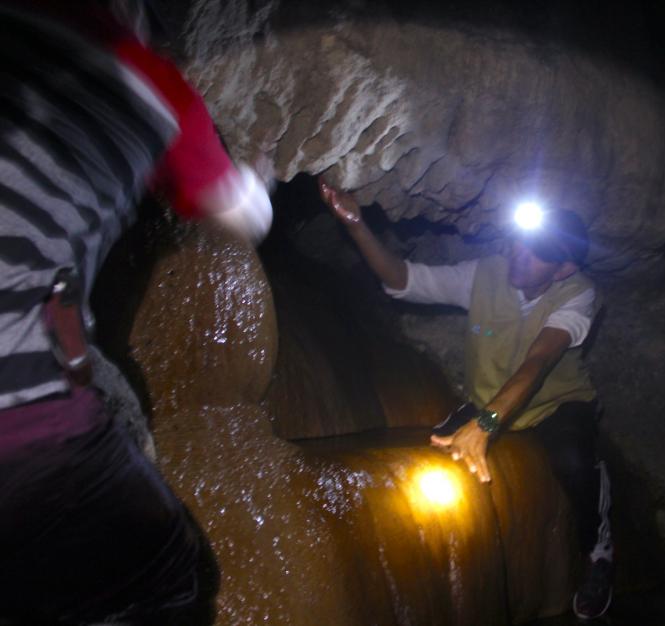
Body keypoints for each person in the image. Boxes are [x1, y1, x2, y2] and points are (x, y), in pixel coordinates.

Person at [0, 0, 272, 623]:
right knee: (169, 578)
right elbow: (243, 218)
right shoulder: (152, 82)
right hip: (21, 414)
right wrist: (260, 178)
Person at [320, 182, 614, 619]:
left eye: (534, 253)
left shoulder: (578, 293)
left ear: (563, 269)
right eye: (517, 242)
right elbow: (403, 278)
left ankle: (599, 550)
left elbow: (539, 359)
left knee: (572, 461)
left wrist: (486, 425)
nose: (517, 254)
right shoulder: (486, 274)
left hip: (555, 403)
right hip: (488, 400)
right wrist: (357, 225)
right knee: (429, 458)